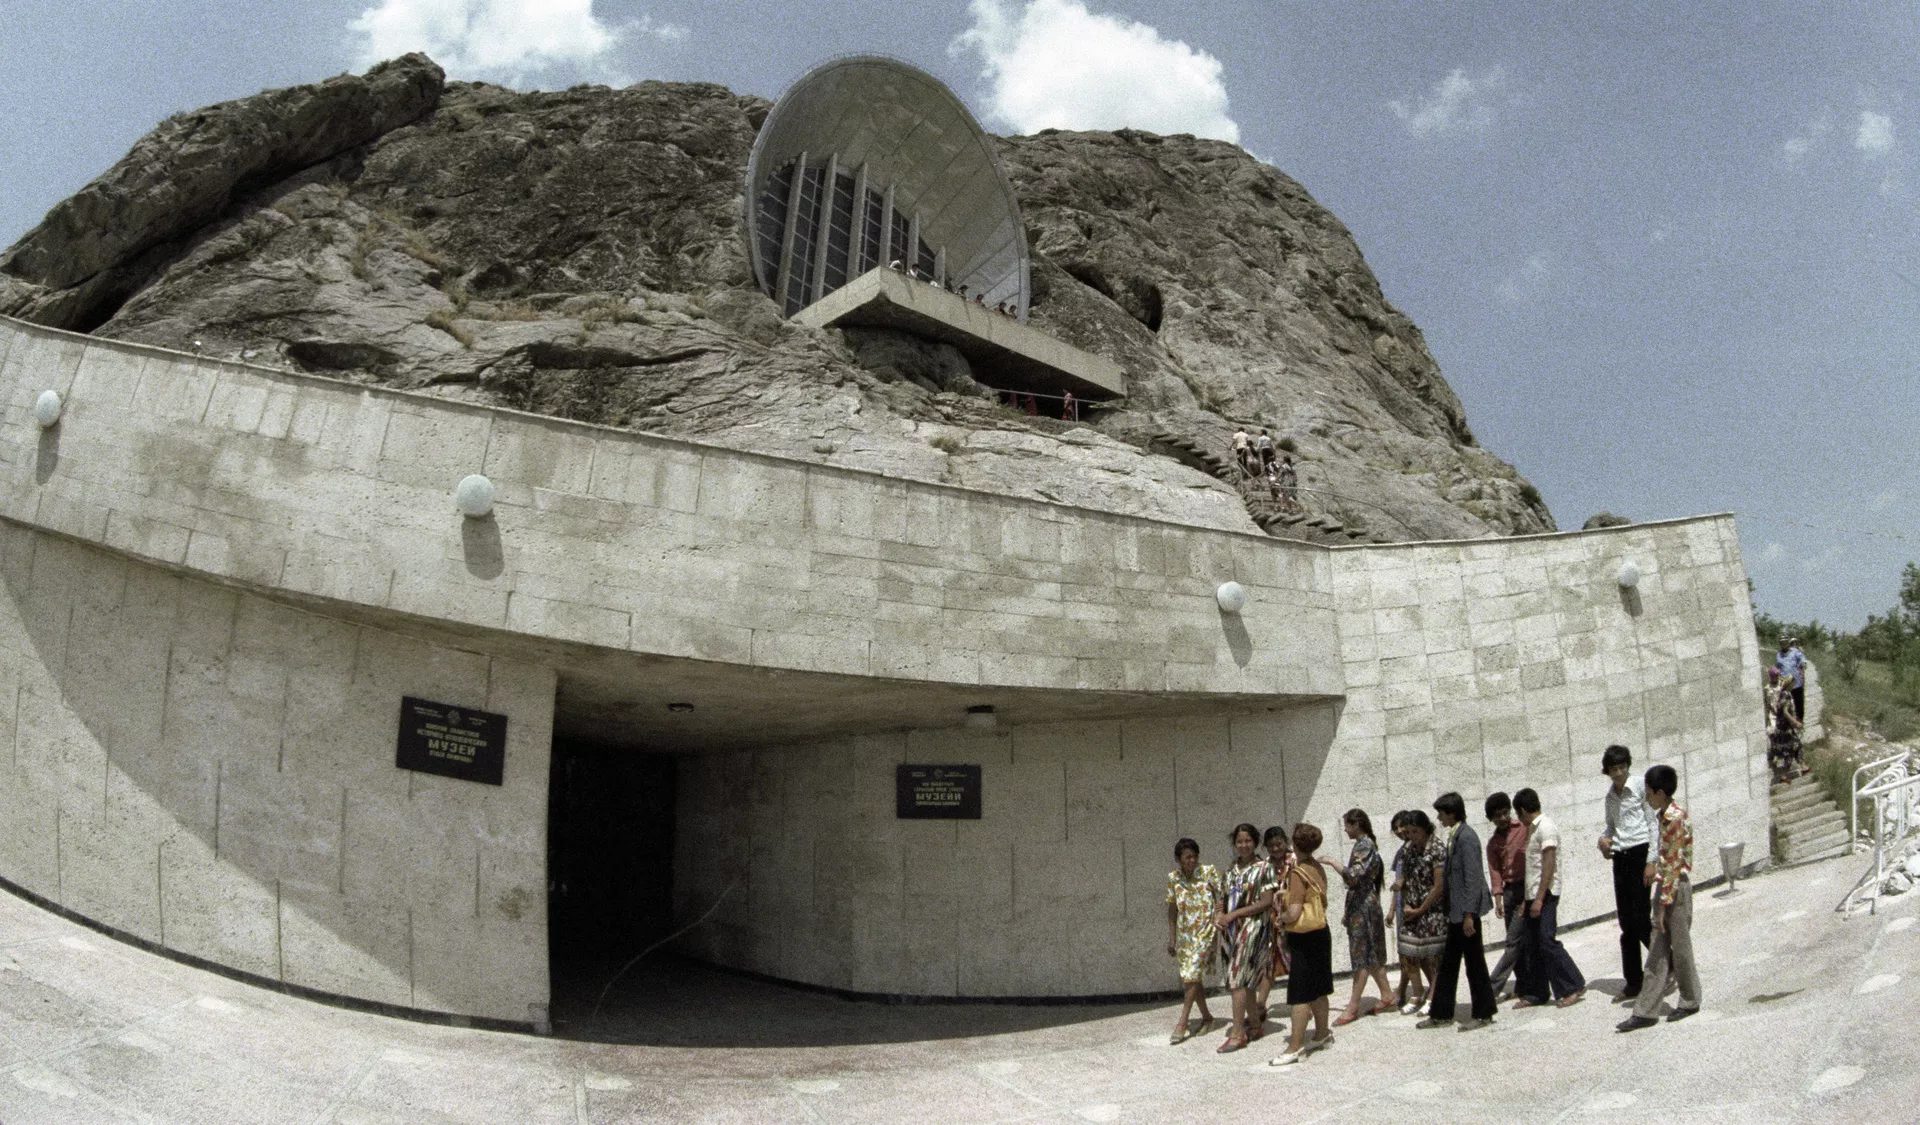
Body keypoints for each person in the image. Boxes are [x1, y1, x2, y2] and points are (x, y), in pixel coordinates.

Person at [1617, 764, 1701, 1031]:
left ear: (1660, 793)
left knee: (1681, 949)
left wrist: (1662, 908)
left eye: (1650, 793)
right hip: (1666, 888)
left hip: (1675, 890)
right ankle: (1646, 1011)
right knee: (1656, 952)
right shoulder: (1664, 816)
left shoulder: (1674, 819)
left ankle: (1690, 1000)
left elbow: (1674, 867)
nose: (1647, 798)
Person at [1420, 793, 1496, 1030]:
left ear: (1452, 813)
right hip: (1457, 913)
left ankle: (1483, 1013)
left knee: (1474, 965)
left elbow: (1472, 878)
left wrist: (1469, 915)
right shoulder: (1456, 835)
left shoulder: (1467, 837)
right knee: (1449, 965)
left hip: (1465, 914)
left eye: (1441, 814)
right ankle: (1441, 1013)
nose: (1439, 819)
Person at [1512, 788, 1587, 1008]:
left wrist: (1539, 899)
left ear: (1523, 810)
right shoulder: (1532, 829)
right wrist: (1526, 901)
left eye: (1518, 814)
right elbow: (1533, 869)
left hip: (1546, 894)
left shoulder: (1546, 827)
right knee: (1532, 944)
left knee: (1547, 940)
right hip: (1533, 895)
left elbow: (1548, 864)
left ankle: (1573, 985)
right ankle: (1538, 993)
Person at [1268, 823, 1335, 1066]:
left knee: (1300, 993)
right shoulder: (1317, 867)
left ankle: (1294, 1047)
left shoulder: (1297, 873)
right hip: (1321, 931)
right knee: (1319, 987)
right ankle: (1322, 1033)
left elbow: (1294, 912)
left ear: (1295, 844)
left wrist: (1281, 918)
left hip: (1303, 937)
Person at [1213, 823, 1278, 1052]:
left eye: (1248, 841)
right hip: (1231, 932)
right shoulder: (1230, 871)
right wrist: (1219, 915)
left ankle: (1237, 1033)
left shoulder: (1264, 868)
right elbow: (1221, 899)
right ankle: (1256, 1025)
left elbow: (1266, 901)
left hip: (1253, 928)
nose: (1244, 845)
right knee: (1245, 980)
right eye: (1240, 841)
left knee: (1237, 980)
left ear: (1255, 842)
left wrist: (1234, 914)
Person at [1598, 744, 1655, 1002]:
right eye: (1613, 769)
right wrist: (1603, 841)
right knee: (1626, 923)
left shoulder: (1641, 786)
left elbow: (1653, 824)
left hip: (1640, 852)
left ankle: (1668, 965)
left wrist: (1652, 860)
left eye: (1622, 767)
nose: (1618, 773)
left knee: (1642, 919)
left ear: (1628, 766)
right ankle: (1633, 981)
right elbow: (1611, 827)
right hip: (1620, 857)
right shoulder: (1610, 796)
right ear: (1608, 771)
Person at [1334, 809, 1392, 1024]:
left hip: (1364, 906)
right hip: (1362, 905)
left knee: (1361, 956)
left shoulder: (1364, 845)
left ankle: (1353, 1006)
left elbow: (1353, 876)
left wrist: (1333, 863)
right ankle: (1387, 996)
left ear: (1356, 824)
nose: (1345, 830)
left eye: (1347, 826)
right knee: (1371, 953)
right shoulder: (1365, 844)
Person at [1165, 838, 1222, 1043]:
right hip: (1186, 936)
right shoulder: (1173, 879)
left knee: (1192, 975)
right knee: (1192, 978)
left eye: (1194, 856)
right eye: (1187, 857)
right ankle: (1207, 1018)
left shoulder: (1208, 872)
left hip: (1206, 932)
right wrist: (1172, 939)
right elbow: (1172, 910)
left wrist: (1219, 914)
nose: (1192, 861)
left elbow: (1222, 895)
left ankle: (1182, 1022)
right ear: (1178, 859)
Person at [1396, 810, 1448, 1013]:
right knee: (1407, 952)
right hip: (1413, 908)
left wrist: (1421, 909)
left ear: (1425, 829)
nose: (1411, 836)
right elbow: (1406, 877)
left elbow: (1438, 885)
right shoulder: (1409, 849)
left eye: (1415, 831)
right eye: (1408, 832)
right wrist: (1406, 901)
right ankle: (1417, 992)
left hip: (1432, 910)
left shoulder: (1436, 849)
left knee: (1433, 958)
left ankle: (1433, 996)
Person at [1484, 792, 1529, 998]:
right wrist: (1498, 899)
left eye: (1504, 813)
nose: (1502, 818)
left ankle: (1491, 988)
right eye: (1497, 816)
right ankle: (1523, 984)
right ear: (1491, 819)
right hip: (1509, 892)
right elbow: (1495, 872)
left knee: (1513, 942)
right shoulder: (1493, 844)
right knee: (1516, 943)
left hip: (1526, 888)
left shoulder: (1523, 828)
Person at [1255, 826, 1296, 1024]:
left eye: (1279, 844)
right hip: (1271, 923)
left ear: (1286, 842)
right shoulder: (1264, 866)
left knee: (1297, 962)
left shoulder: (1295, 860)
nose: (1275, 848)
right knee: (1269, 963)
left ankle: (1302, 1003)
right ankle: (1260, 1005)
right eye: (1271, 845)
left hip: (1293, 920)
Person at [1767, 678, 1804, 782]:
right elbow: (1785, 712)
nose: (1794, 685)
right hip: (1785, 729)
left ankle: (1803, 767)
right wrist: (1795, 722)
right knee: (1791, 750)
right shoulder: (1786, 695)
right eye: (1793, 683)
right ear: (1790, 684)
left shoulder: (1782, 694)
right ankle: (1784, 775)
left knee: (1796, 747)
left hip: (1782, 728)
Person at [1775, 637, 1807, 733]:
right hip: (1785, 684)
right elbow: (1778, 667)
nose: (1783, 644)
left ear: (1788, 643)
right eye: (1781, 643)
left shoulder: (1795, 651)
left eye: (1785, 642)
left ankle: (1800, 722)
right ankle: (1790, 724)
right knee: (1787, 704)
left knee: (1799, 703)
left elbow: (1802, 660)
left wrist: (1802, 667)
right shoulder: (1779, 654)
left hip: (1796, 683)